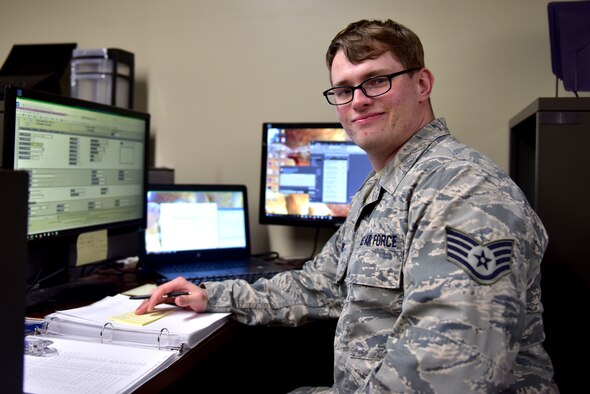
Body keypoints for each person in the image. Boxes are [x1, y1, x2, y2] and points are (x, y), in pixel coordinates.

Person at [136, 19, 558, 393]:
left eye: (376, 81)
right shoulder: (383, 188)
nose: (357, 100)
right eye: (343, 89)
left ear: (422, 84)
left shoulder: (464, 191)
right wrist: (211, 295)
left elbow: (450, 374)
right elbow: (319, 285)